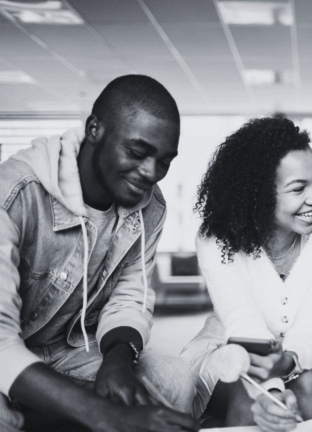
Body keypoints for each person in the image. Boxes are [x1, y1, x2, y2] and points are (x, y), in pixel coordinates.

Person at [0, 75, 199, 432]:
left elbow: (130, 295)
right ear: (95, 129)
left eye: (165, 161)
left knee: (172, 379)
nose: (151, 173)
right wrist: (104, 413)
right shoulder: (14, 195)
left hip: (68, 350)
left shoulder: (150, 206)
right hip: (7, 350)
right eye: (137, 153)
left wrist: (119, 357)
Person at [180, 117, 312, 429]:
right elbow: (244, 322)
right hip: (230, 345)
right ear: (257, 195)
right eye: (298, 188)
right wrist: (271, 389)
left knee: (309, 384)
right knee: (251, 396)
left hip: (304, 345)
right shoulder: (216, 238)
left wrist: (290, 360)